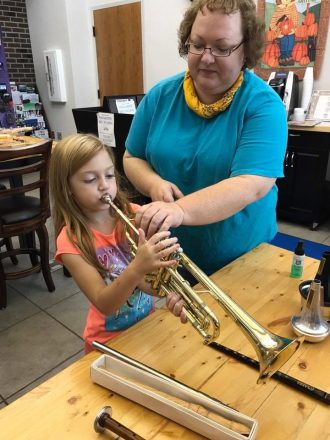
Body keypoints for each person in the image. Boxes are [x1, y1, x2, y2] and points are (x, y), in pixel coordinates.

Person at [123, 0, 288, 285]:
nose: (206, 58)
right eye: (197, 44)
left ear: (246, 50)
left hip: (244, 257)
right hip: (175, 253)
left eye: (222, 48)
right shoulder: (160, 96)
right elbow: (132, 157)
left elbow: (251, 183)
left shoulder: (263, 106)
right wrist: (152, 183)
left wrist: (179, 210)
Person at [49, 134, 181, 353]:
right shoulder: (71, 241)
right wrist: (138, 267)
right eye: (90, 179)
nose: (104, 186)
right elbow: (105, 304)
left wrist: (168, 291)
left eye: (109, 175)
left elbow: (149, 284)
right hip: (107, 343)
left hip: (146, 327)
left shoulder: (134, 215)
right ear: (67, 188)